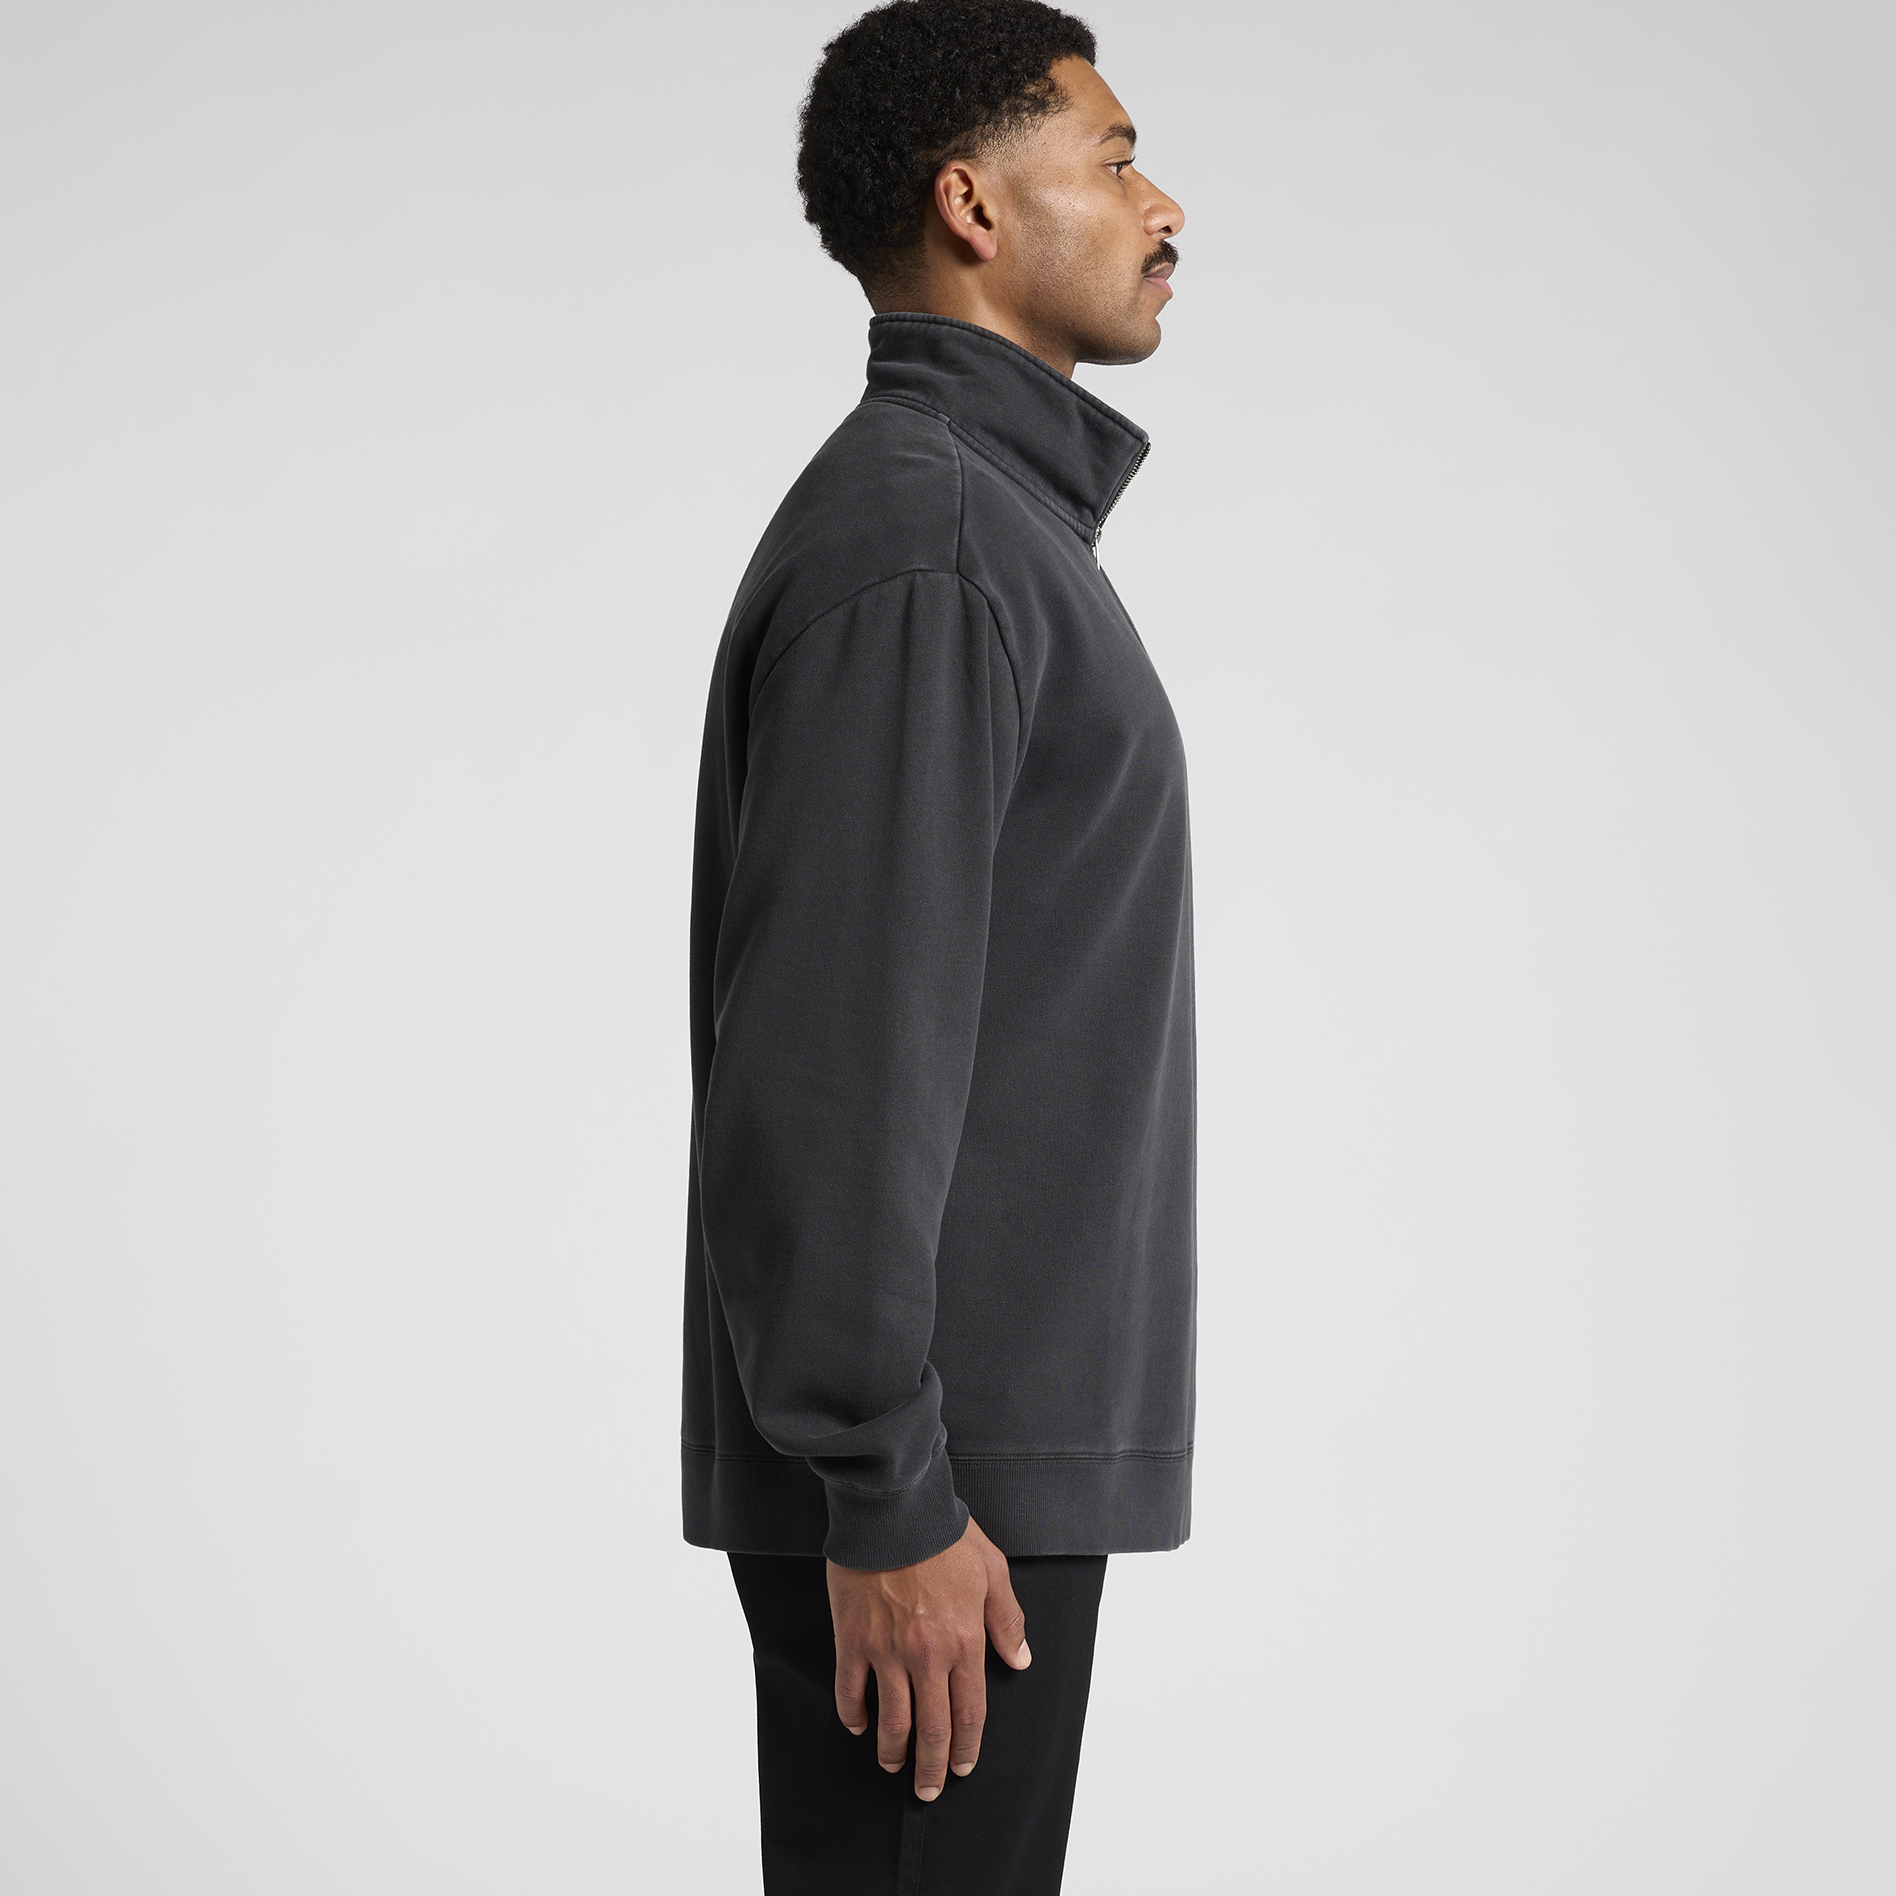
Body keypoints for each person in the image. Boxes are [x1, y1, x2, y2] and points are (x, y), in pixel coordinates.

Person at [680, 2, 1193, 1887]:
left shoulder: (990, 533)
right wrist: (886, 1492)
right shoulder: (933, 545)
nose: (1164, 203)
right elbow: (828, 1058)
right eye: (1114, 156)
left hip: (962, 1476)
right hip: (932, 1505)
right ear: (973, 205)